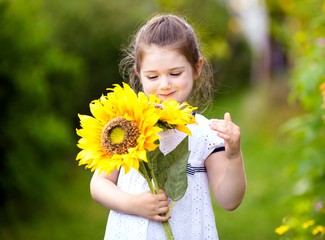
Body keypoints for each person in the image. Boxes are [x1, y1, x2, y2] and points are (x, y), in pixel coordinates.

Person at [90, 14, 247, 240]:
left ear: (196, 67)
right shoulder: (125, 127)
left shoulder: (205, 134)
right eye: (152, 76)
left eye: (175, 73)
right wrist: (134, 204)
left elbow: (230, 200)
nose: (164, 85)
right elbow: (99, 185)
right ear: (139, 74)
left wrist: (234, 155)